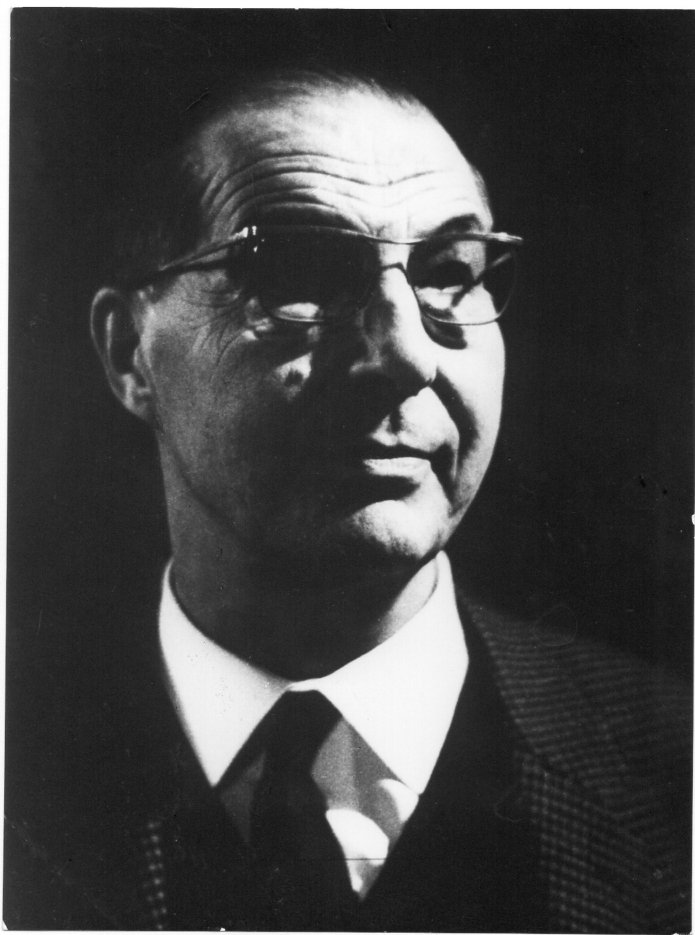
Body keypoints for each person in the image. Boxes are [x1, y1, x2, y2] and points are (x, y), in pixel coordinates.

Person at [4, 67, 690, 933]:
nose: (405, 355)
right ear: (128, 352)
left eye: (448, 271)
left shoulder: (674, 772)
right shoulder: (22, 763)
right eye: (300, 270)